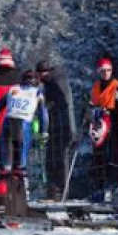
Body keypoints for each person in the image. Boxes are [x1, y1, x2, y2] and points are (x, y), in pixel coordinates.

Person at [86, 57, 118, 202]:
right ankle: (100, 188)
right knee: (99, 157)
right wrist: (90, 112)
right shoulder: (96, 87)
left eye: (108, 70)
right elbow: (92, 104)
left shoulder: (117, 86)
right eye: (103, 71)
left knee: (114, 157)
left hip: (115, 126)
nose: (106, 73)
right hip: (100, 125)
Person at [0, 69, 49, 182]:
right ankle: (22, 191)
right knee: (20, 167)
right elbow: (43, 114)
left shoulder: (12, 89)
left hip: (7, 124)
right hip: (23, 125)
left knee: (6, 167)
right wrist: (43, 131)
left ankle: (5, 192)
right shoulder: (37, 92)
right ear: (35, 81)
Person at [36, 60, 76, 199]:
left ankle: (61, 189)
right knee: (54, 157)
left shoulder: (56, 81)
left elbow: (63, 102)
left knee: (59, 158)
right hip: (57, 125)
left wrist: (49, 105)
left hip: (62, 125)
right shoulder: (53, 81)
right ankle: (55, 189)